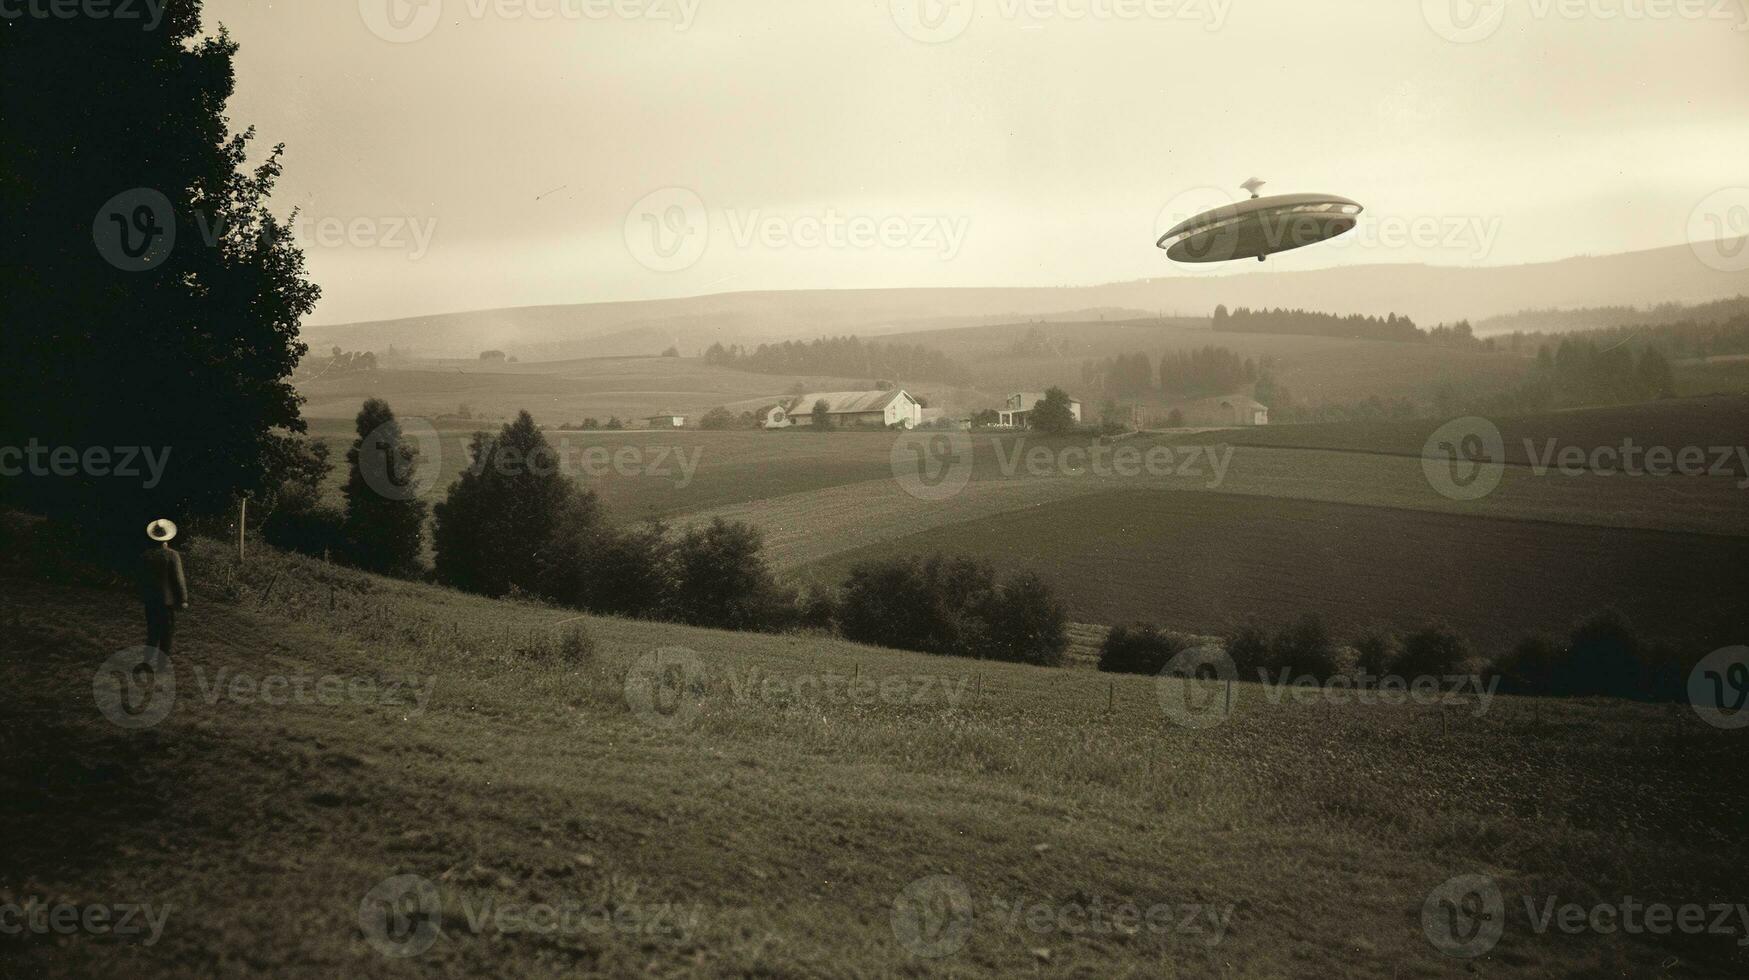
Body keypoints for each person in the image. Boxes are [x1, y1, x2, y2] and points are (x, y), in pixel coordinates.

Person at [140, 519, 189, 655]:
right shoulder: (172, 555)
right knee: (166, 633)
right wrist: (183, 599)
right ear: (167, 538)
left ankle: (148, 661)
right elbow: (178, 579)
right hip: (167, 601)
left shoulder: (146, 555)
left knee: (152, 632)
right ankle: (162, 664)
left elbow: (142, 578)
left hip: (151, 600)